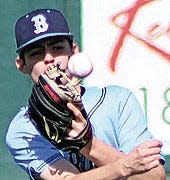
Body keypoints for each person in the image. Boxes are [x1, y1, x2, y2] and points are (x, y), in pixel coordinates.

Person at [6, 8, 166, 180]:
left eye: (57, 48)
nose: (49, 58)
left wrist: (88, 144)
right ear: (21, 64)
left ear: (73, 51)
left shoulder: (118, 100)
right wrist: (125, 165)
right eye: (36, 53)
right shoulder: (24, 130)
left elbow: (154, 177)